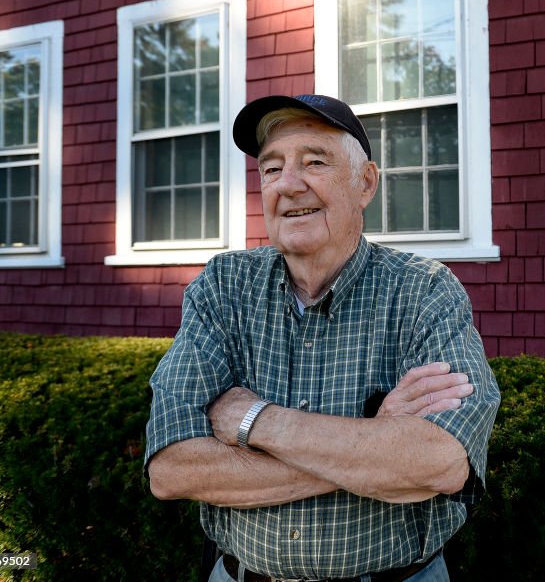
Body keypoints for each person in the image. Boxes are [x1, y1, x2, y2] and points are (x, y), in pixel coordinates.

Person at [144, 94, 500, 582]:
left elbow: (439, 462)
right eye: (271, 169)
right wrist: (375, 447)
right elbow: (171, 469)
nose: (289, 185)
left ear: (365, 183)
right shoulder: (223, 287)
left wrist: (251, 420)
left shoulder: (424, 290)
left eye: (315, 161)